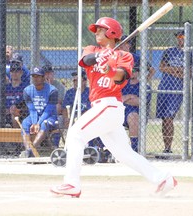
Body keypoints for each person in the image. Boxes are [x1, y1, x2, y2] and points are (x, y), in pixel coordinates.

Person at [50, 17, 177, 198]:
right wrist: (100, 57)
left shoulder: (124, 56)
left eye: (100, 30)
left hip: (109, 105)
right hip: (102, 109)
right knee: (123, 153)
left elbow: (120, 77)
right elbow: (85, 60)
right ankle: (163, 179)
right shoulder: (92, 49)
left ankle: (71, 184)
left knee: (76, 134)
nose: (96, 33)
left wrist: (108, 68)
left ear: (111, 33)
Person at [156, 30, 188, 154]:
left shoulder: (191, 53)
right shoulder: (169, 51)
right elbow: (161, 67)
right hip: (164, 87)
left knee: (169, 117)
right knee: (164, 118)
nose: (181, 39)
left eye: (183, 37)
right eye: (179, 37)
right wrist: (178, 70)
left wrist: (172, 70)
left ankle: (168, 147)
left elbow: (188, 73)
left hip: (178, 89)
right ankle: (166, 148)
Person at [21, 67, 58, 157]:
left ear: (43, 77)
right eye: (33, 76)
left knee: (44, 124)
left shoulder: (52, 90)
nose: (35, 78)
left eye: (38, 76)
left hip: (50, 116)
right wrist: (34, 123)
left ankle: (32, 149)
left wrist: (38, 123)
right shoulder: (27, 91)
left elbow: (48, 111)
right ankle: (28, 151)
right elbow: (32, 109)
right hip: (35, 116)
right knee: (25, 123)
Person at [122, 69, 152, 152]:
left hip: (137, 114)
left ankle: (134, 149)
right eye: (130, 70)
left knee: (133, 117)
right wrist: (131, 96)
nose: (132, 73)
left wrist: (125, 98)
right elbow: (118, 99)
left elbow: (140, 102)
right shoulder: (121, 84)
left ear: (138, 72)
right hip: (120, 112)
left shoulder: (144, 86)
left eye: (134, 71)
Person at [5, 61, 28, 128]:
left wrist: (18, 110)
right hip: (6, 112)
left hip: (21, 113)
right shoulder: (6, 88)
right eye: (12, 71)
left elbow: (27, 104)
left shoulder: (25, 87)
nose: (14, 73)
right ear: (10, 73)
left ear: (21, 73)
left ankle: (16, 138)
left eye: (17, 71)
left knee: (14, 115)